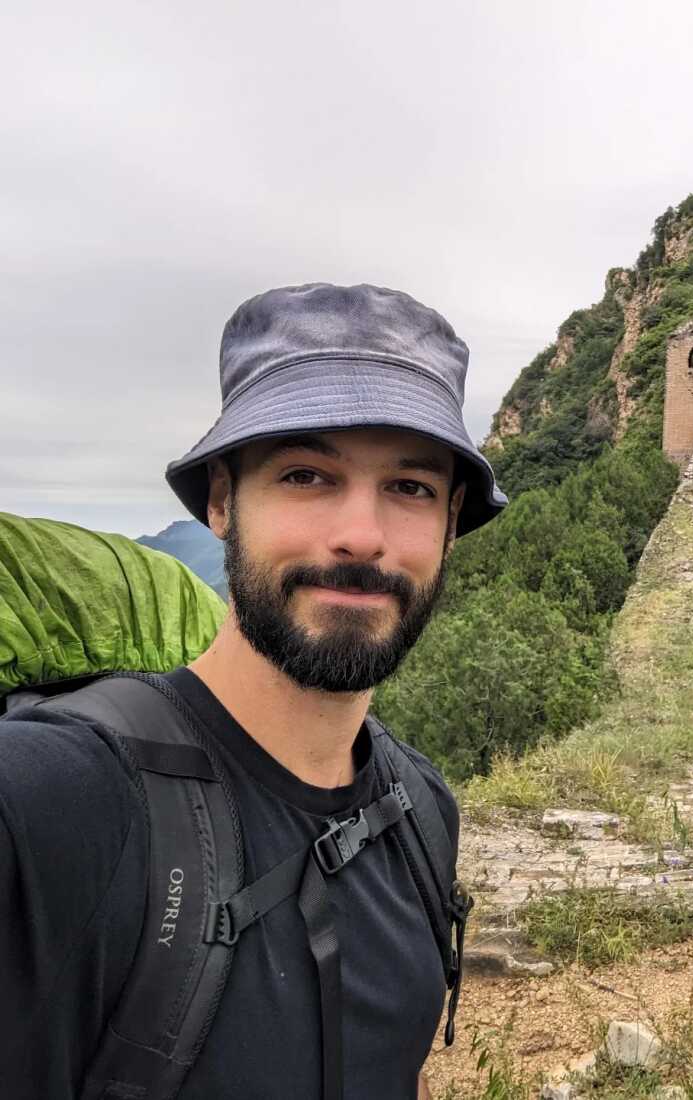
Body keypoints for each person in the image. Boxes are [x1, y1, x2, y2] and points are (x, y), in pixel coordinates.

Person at [0, 283, 507, 1100]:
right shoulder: (61, 801)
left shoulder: (421, 809)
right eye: (307, 475)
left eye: (410, 488)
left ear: (450, 525)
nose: (362, 535)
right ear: (222, 502)